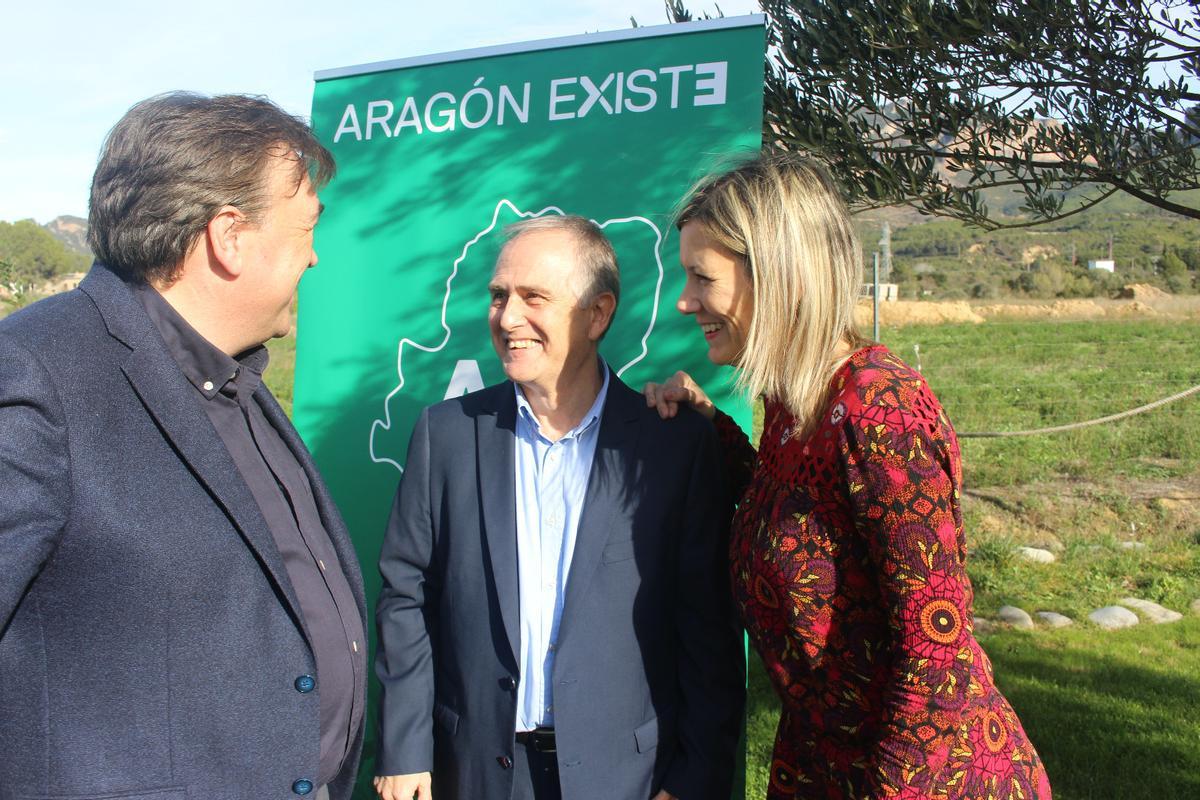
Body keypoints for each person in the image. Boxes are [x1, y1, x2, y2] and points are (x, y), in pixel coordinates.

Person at [644, 153, 1052, 799]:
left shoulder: (879, 408)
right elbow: (798, 516)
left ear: (778, 276)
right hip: (827, 765)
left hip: (925, 777)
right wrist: (709, 425)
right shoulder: (794, 404)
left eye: (702, 277)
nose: (685, 299)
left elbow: (935, 646)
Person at [0, 92, 366, 800]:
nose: (314, 259)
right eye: (304, 230)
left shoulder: (240, 383)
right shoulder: (39, 371)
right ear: (230, 236)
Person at [373, 215, 744, 800]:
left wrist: (694, 779)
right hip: (472, 773)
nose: (507, 317)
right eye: (499, 296)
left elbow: (707, 633)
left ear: (597, 314)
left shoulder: (668, 445)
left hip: (626, 776)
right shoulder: (445, 435)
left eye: (533, 297)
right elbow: (406, 597)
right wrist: (405, 748)